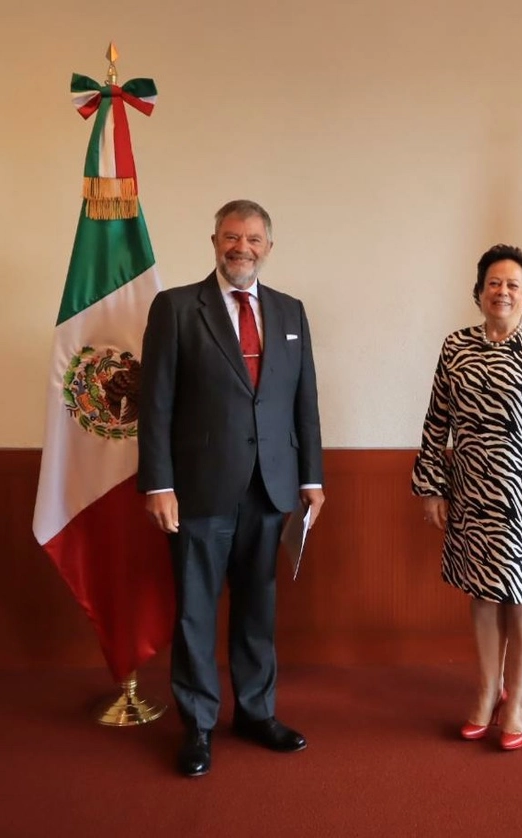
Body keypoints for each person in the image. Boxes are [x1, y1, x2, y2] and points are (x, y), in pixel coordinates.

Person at [138, 199, 324, 776]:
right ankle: (196, 726)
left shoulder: (291, 312)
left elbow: (304, 402)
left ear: (269, 246)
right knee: (195, 612)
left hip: (271, 488)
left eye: (252, 239)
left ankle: (255, 712)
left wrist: (311, 477)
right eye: (230, 237)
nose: (241, 247)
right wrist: (158, 484)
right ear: (213, 240)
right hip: (198, 490)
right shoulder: (174, 309)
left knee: (257, 608)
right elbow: (157, 405)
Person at [412, 243, 522, 751]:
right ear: (480, 291)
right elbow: (436, 422)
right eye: (494, 283)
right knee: (484, 593)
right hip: (472, 493)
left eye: (513, 285)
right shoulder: (456, 347)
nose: (503, 291)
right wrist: (431, 486)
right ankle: (489, 688)